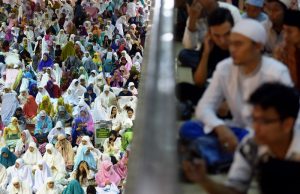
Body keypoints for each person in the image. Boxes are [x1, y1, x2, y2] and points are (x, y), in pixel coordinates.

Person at [180, 19, 293, 168]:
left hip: (261, 135)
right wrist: (220, 128)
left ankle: (210, 154)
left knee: (259, 143)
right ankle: (223, 154)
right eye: (232, 43)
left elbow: (288, 119)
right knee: (188, 128)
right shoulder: (224, 68)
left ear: (258, 46)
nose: (232, 49)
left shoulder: (277, 73)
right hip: (235, 130)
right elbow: (203, 107)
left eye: (239, 44)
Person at [183, 83, 300, 194]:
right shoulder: (251, 146)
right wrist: (204, 180)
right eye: (254, 120)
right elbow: (235, 191)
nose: (256, 128)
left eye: (265, 122)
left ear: (287, 124)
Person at [176, 8, 233, 106]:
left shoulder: (240, 44)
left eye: (227, 34)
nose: (222, 40)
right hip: (216, 90)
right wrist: (206, 53)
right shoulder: (210, 44)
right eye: (217, 36)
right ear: (210, 33)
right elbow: (199, 82)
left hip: (235, 95)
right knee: (181, 88)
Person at [179, 0, 241, 69]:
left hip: (228, 54)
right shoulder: (194, 15)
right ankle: (215, 68)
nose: (196, 7)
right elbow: (189, 47)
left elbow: (240, 42)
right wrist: (192, 20)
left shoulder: (231, 11)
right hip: (209, 55)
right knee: (184, 55)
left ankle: (213, 68)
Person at [274, 10, 300, 90]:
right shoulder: (284, 49)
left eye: (289, 31)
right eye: (284, 30)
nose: (285, 36)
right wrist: (276, 59)